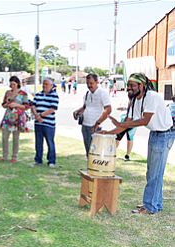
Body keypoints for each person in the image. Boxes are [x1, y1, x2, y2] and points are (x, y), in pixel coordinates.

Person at [102, 73, 174, 215]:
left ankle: (149, 206)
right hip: (155, 133)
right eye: (128, 85)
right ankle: (155, 204)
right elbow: (127, 123)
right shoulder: (135, 100)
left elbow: (144, 120)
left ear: (141, 86)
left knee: (155, 173)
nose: (129, 88)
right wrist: (110, 132)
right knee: (152, 172)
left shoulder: (151, 97)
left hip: (165, 134)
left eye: (132, 85)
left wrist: (122, 124)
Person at [73, 74, 111, 156]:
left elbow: (108, 109)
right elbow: (85, 107)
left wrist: (98, 123)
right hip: (85, 125)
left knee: (95, 152)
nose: (89, 85)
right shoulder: (87, 93)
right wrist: (77, 112)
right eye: (87, 83)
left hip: (95, 126)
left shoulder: (102, 93)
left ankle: (95, 168)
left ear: (97, 82)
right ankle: (89, 168)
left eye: (91, 83)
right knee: (88, 151)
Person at [0, 76, 29, 163]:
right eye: (11, 84)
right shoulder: (8, 92)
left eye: (14, 84)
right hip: (8, 116)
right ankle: (4, 156)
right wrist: (7, 104)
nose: (12, 86)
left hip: (17, 117)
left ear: (18, 84)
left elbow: (26, 106)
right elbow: (3, 104)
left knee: (15, 138)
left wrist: (16, 105)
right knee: (5, 137)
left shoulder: (23, 93)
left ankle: (14, 157)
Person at [31, 78, 59, 168]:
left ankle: (51, 160)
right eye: (43, 84)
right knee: (38, 142)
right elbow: (33, 106)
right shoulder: (38, 94)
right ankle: (38, 159)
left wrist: (41, 116)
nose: (44, 86)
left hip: (49, 123)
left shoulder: (54, 95)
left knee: (50, 142)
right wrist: (36, 115)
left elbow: (53, 108)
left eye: (47, 84)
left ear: (51, 85)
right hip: (38, 123)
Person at [116, 96, 137, 161]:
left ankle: (127, 155)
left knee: (130, 137)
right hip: (122, 120)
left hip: (132, 121)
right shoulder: (124, 98)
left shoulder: (137, 100)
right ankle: (112, 153)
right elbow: (118, 107)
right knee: (117, 137)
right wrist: (125, 108)